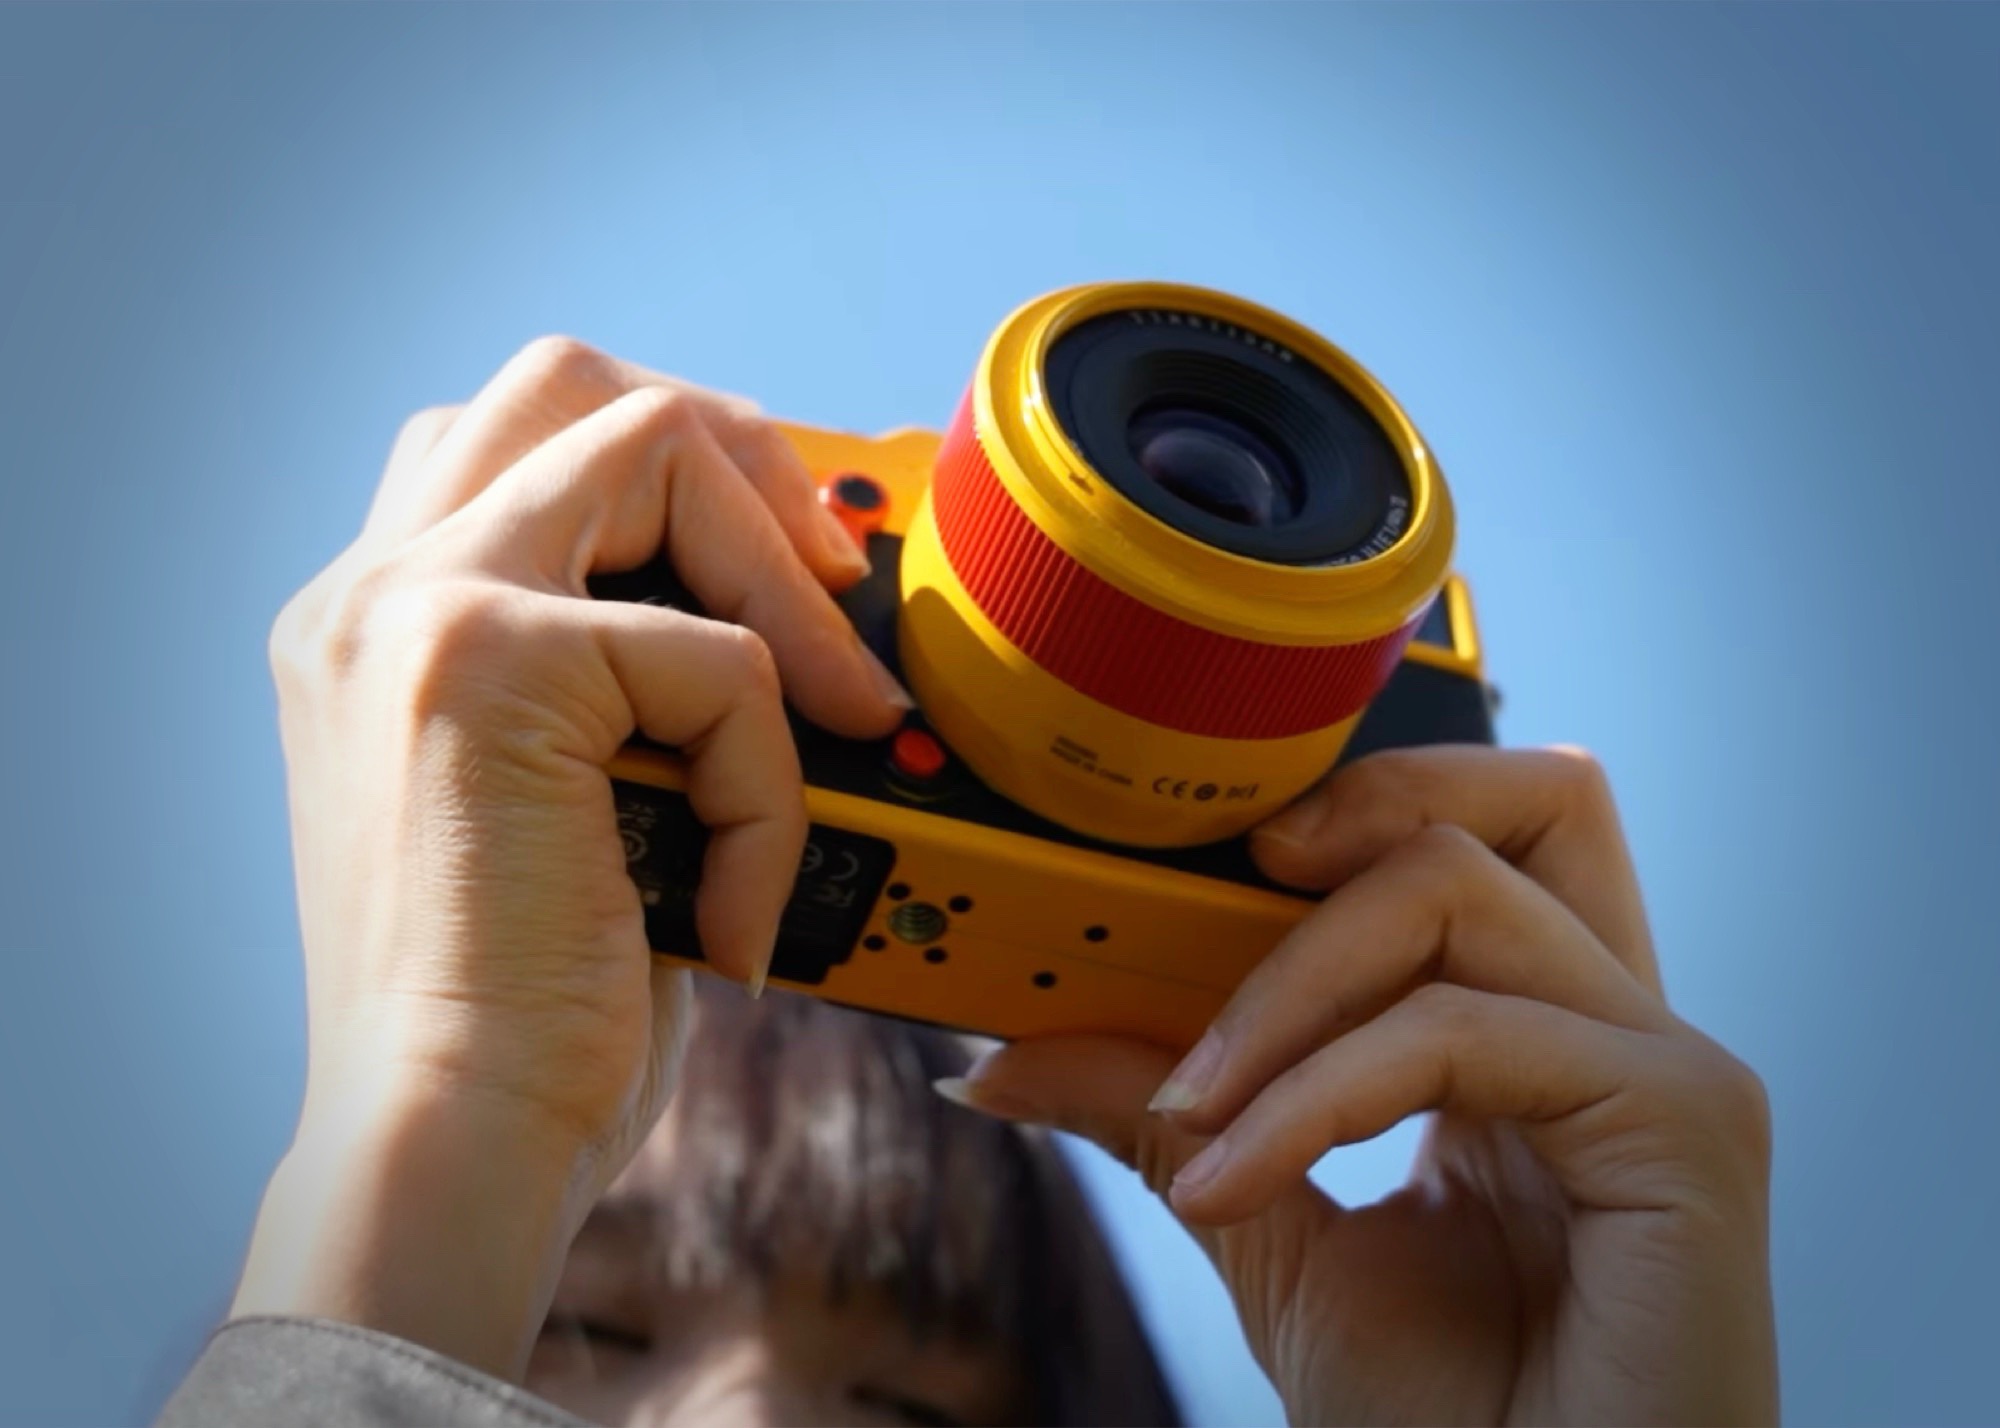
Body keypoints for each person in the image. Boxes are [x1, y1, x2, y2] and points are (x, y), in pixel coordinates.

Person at [159, 337, 1778, 1427]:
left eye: (909, 1415)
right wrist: (454, 1114)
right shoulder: (446, 1159)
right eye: (580, 1326)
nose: (751, 1426)